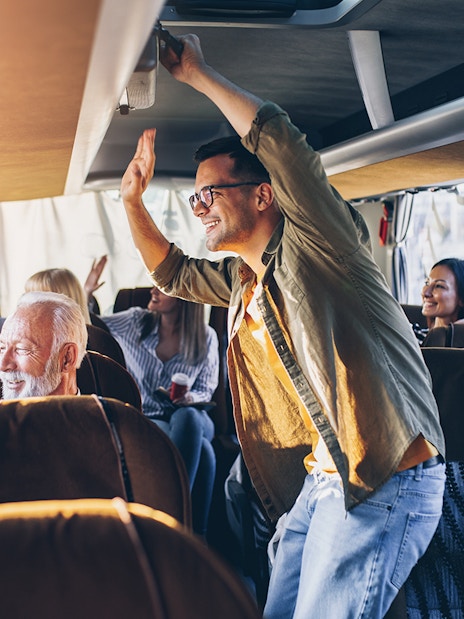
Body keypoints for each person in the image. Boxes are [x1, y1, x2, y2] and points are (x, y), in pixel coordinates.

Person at [118, 34, 446, 618]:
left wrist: (196, 72)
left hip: (384, 476)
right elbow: (173, 273)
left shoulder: (321, 242)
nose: (200, 208)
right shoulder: (245, 280)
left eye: (210, 193)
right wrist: (131, 203)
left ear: (265, 194)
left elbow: (283, 146)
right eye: (194, 200)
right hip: (326, 478)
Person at [85, 263, 219, 537]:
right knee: (204, 453)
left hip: (194, 416)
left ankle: (169, 519)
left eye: (164, 287)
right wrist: (86, 292)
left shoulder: (205, 337)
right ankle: (196, 536)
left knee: (189, 418)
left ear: (184, 295)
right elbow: (91, 326)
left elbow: (206, 390)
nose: (154, 290)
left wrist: (186, 398)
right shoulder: (136, 320)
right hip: (150, 417)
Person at [0, 291, 87, 399]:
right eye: (2, 348)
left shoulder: (104, 414)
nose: (2, 365)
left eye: (22, 349)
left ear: (67, 358)